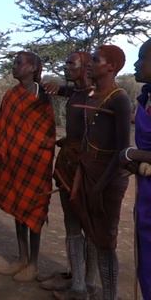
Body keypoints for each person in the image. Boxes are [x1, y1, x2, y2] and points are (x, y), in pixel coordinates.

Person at [0, 51, 56, 282]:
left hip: (36, 164)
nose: (14, 66)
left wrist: (37, 152)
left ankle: (33, 264)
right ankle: (21, 258)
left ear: (33, 68)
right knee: (18, 209)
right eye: (13, 62)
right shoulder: (10, 96)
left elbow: (48, 132)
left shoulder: (43, 96)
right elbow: (1, 129)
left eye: (18, 63)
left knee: (33, 211)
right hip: (13, 160)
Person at [71, 45, 131, 300]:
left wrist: (100, 186)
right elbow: (69, 91)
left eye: (95, 60)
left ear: (111, 67)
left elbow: (122, 151)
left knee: (106, 241)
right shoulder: (92, 94)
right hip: (88, 170)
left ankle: (110, 295)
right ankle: (90, 288)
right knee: (93, 235)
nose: (89, 64)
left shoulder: (119, 99)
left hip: (108, 178)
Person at [40, 52, 99, 299]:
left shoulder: (102, 97)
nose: (65, 67)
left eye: (70, 63)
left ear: (86, 67)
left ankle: (89, 283)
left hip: (88, 169)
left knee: (89, 225)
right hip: (68, 165)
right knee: (72, 223)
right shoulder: (75, 92)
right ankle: (77, 282)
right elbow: (68, 91)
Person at [120, 38, 151, 300]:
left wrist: (133, 153)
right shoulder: (145, 98)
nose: (136, 64)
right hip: (146, 193)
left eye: (142, 58)